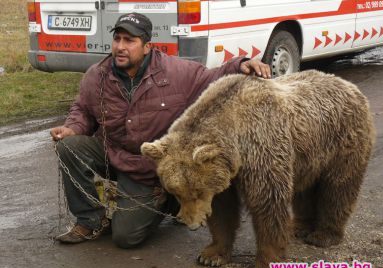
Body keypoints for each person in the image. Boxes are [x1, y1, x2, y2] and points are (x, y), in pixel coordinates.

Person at [50, 12, 271, 248]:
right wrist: (72, 128)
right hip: (112, 152)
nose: (121, 47)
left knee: (125, 238)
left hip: (148, 168)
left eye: (129, 41)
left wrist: (241, 64)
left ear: (147, 46)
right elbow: (83, 109)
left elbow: (213, 77)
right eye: (118, 39)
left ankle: (169, 199)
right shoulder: (97, 75)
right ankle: (91, 220)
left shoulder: (176, 72)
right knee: (69, 147)